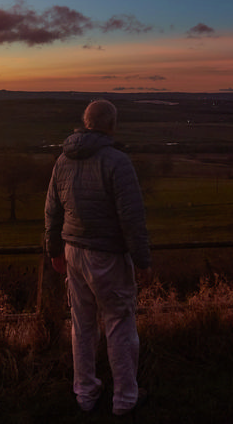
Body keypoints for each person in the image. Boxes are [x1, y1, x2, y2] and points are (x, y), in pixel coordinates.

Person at [44, 99, 152, 416]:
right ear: (112, 125)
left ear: (86, 122)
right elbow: (132, 218)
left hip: (73, 252)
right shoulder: (117, 162)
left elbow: (52, 210)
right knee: (119, 323)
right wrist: (142, 260)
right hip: (107, 255)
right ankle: (125, 399)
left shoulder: (63, 159)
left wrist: (55, 250)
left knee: (82, 324)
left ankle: (85, 393)